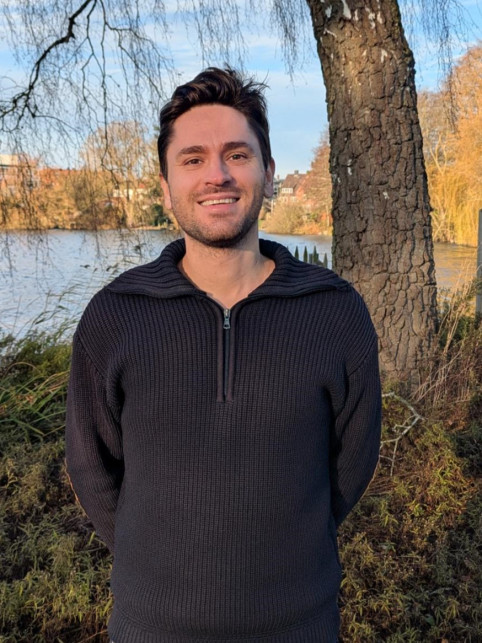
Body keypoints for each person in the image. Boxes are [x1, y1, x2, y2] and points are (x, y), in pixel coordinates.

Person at [65, 67, 381, 643]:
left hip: (299, 626)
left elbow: (351, 464)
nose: (217, 174)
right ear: (166, 187)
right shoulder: (115, 316)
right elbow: (91, 465)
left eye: (237, 154)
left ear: (268, 173)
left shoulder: (335, 313)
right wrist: (159, 567)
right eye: (193, 159)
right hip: (150, 628)